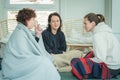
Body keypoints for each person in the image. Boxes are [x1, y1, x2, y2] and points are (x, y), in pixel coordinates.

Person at [1, 8, 60, 80]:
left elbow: (31, 46)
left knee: (45, 60)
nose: (34, 22)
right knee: (44, 61)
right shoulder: (19, 33)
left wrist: (37, 34)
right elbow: (24, 53)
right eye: (33, 19)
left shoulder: (23, 30)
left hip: (21, 60)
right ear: (27, 20)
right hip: (14, 65)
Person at [71, 13, 120, 79]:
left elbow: (100, 59)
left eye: (85, 23)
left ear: (93, 23)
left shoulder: (98, 35)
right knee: (90, 53)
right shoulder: (104, 31)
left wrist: (87, 59)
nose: (83, 26)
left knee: (75, 61)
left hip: (110, 69)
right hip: (117, 67)